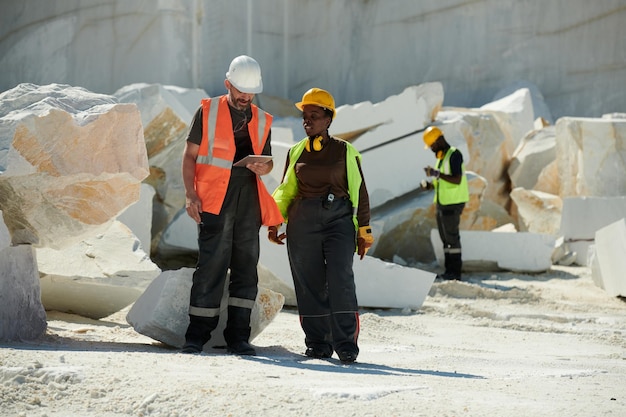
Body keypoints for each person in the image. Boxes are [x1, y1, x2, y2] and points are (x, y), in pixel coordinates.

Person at [181, 55, 283, 356]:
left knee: (246, 268)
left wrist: (265, 168)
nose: (246, 97)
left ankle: (239, 337)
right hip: (215, 198)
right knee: (211, 266)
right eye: (241, 90)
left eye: (251, 92)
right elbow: (190, 156)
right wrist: (190, 194)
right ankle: (196, 336)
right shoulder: (208, 111)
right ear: (228, 84)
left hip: (248, 197)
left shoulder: (263, 120)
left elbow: (265, 160)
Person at [267, 88, 374, 364]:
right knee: (309, 284)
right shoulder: (296, 152)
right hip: (302, 224)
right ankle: (317, 344)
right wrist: (273, 220)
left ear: (329, 119)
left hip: (338, 222)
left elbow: (359, 191)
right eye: (305, 116)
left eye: (314, 115)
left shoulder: (345, 151)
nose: (308, 121)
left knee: (340, 280)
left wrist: (364, 230)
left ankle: (346, 344)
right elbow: (285, 190)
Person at [421, 126, 469, 281]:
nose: (431, 149)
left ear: (439, 140)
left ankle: (455, 273)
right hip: (443, 203)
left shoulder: (454, 155)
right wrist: (429, 185)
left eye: (432, 145)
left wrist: (436, 173)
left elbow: (456, 179)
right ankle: (449, 271)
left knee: (452, 238)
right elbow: (441, 182)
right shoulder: (441, 158)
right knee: (446, 239)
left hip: (453, 203)